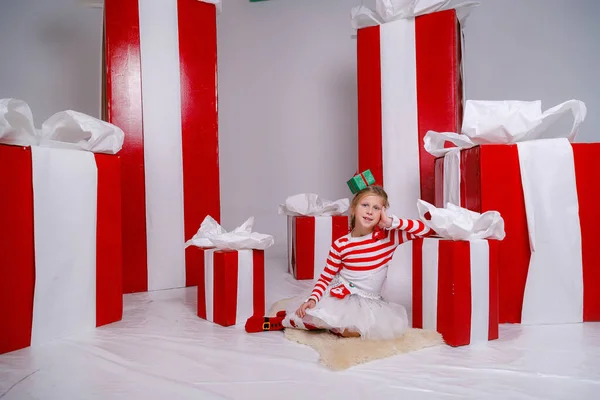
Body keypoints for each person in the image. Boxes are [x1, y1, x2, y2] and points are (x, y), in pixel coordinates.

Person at [245, 185, 435, 340]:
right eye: (365, 205)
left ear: (382, 213)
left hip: (369, 301)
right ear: (353, 209)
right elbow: (326, 277)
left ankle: (328, 326)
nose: (370, 212)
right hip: (340, 295)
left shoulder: (388, 238)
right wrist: (312, 299)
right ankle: (284, 321)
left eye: (377, 208)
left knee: (357, 331)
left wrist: (392, 221)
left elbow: (425, 230)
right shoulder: (341, 244)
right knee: (319, 314)